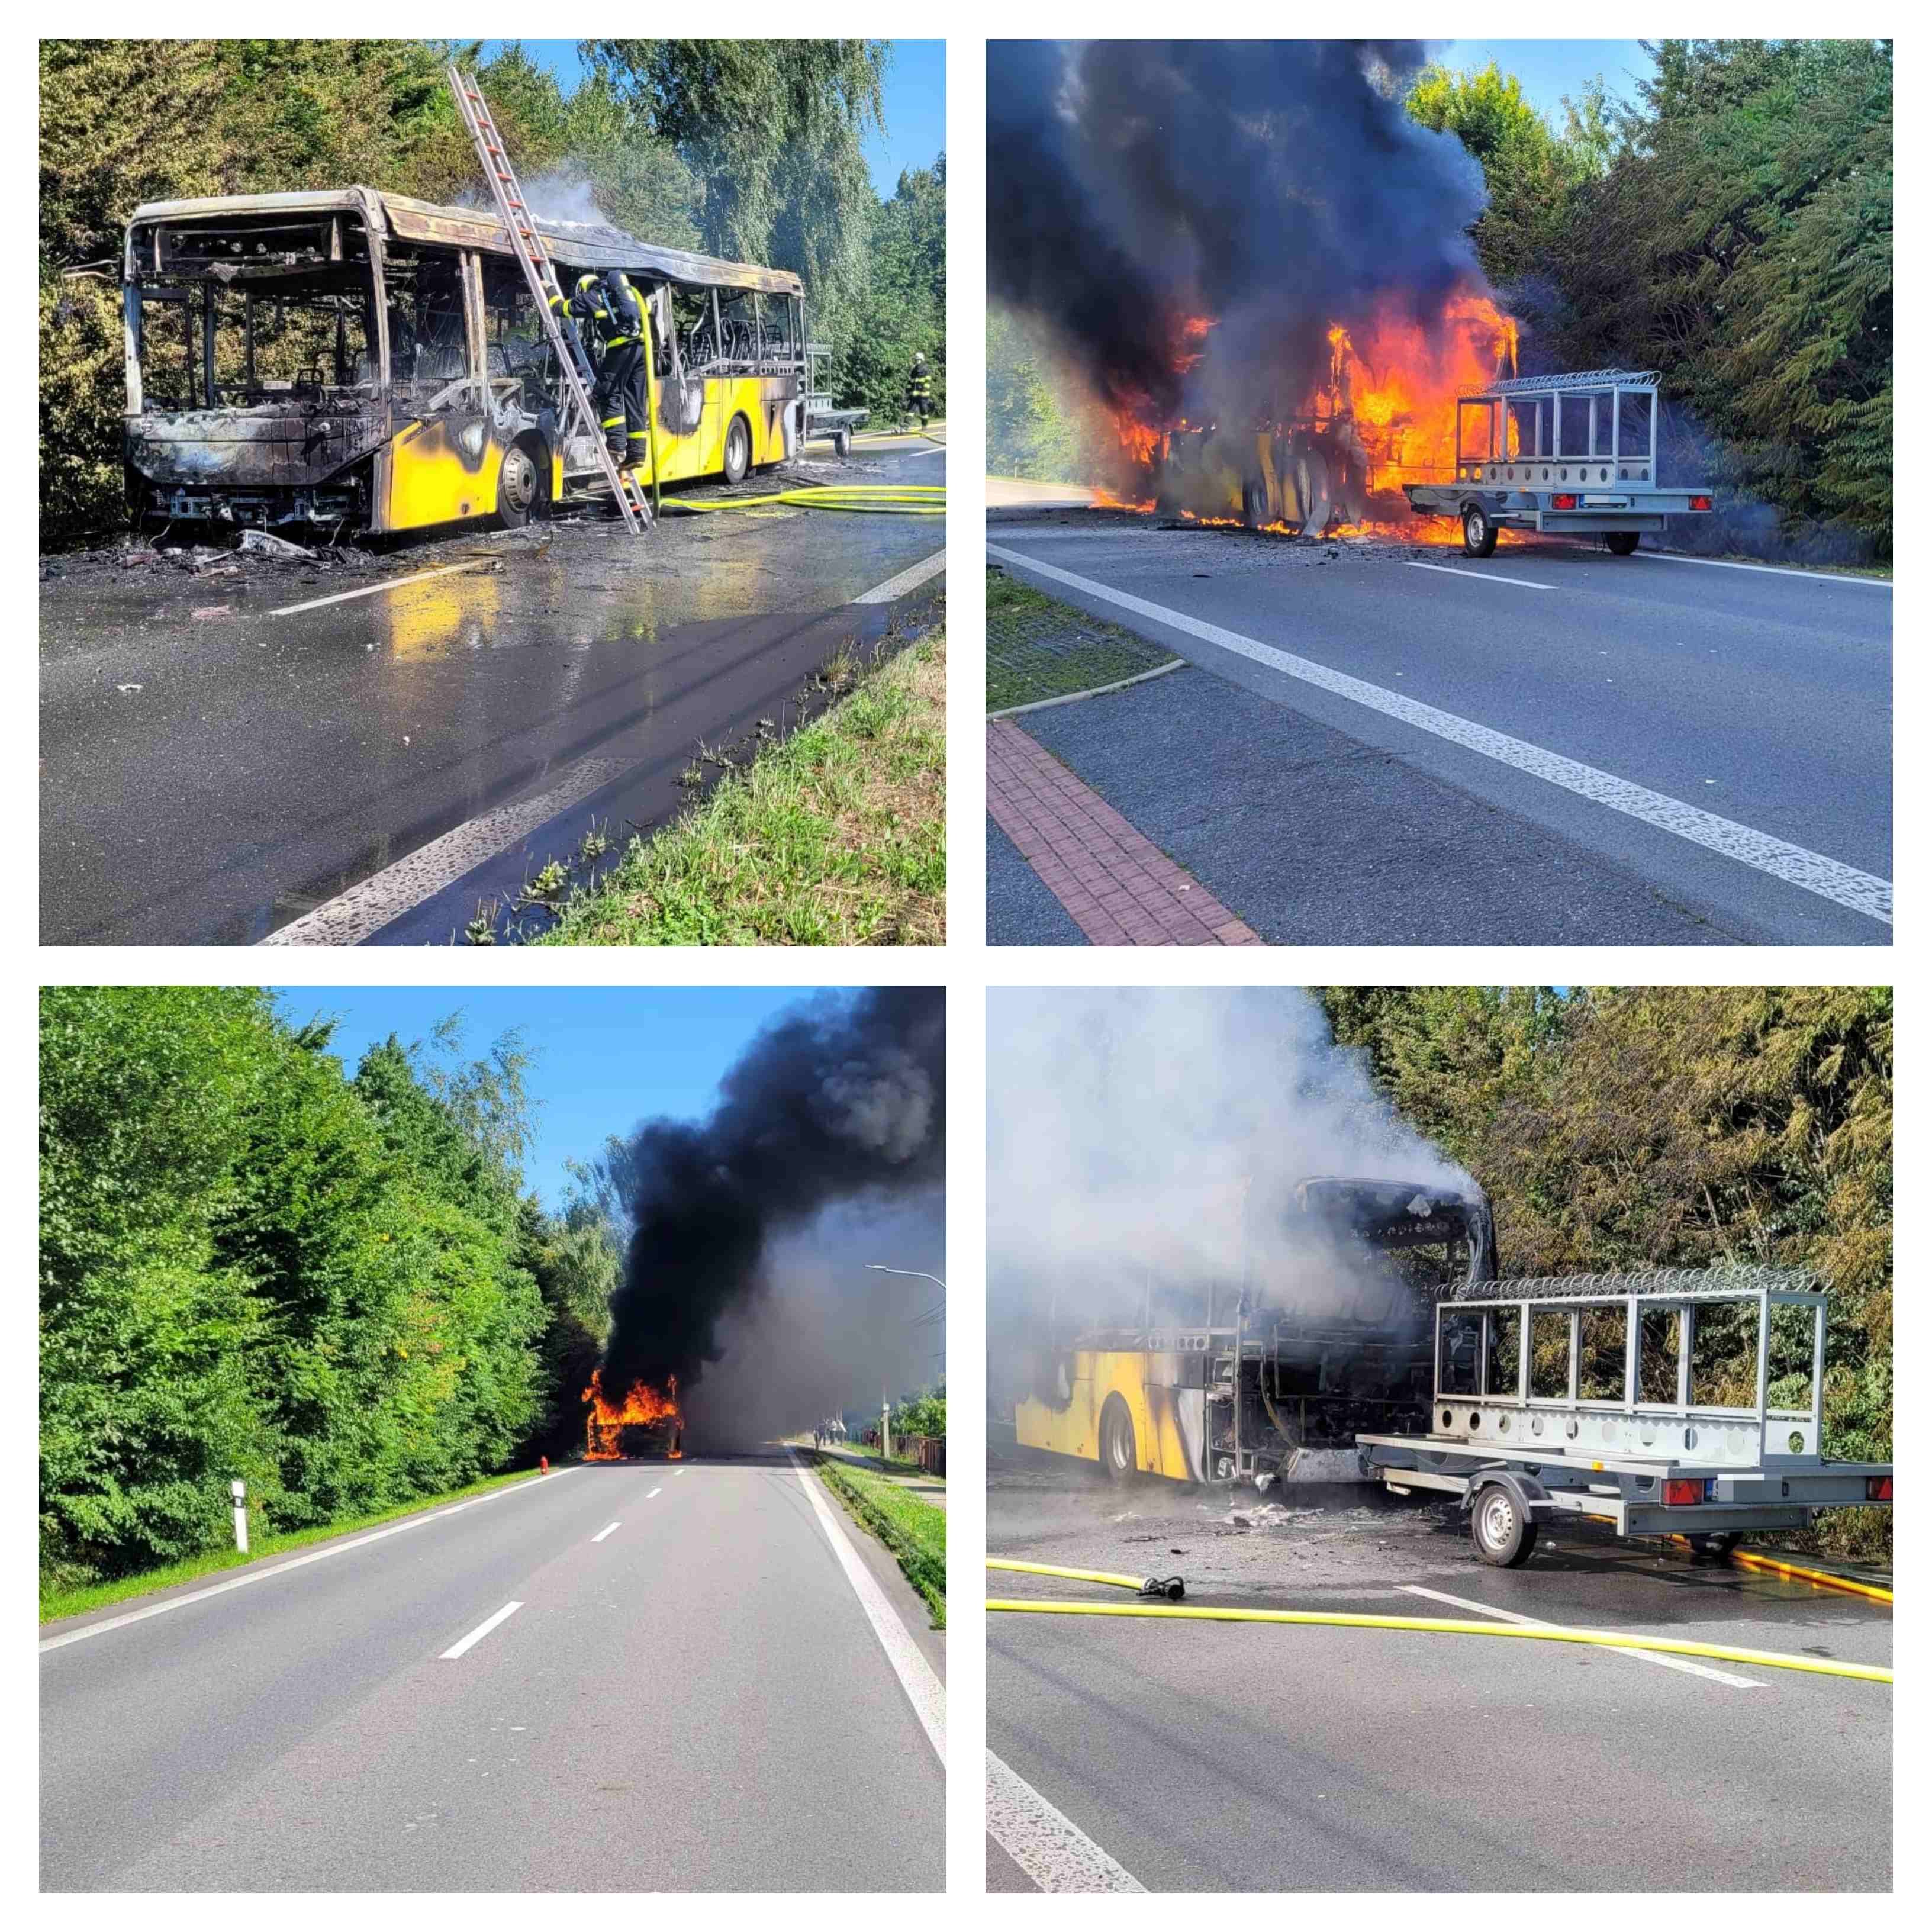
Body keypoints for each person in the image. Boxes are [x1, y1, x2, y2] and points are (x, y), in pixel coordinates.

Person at [906, 352, 932, 431]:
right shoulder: (914, 370)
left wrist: (924, 390)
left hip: (923, 396)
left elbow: (928, 382)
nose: (917, 361)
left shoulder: (926, 370)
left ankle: (924, 426)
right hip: (914, 395)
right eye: (916, 360)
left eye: (918, 359)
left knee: (924, 411)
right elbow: (910, 382)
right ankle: (905, 426)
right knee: (910, 411)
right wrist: (908, 391)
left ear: (922, 360)